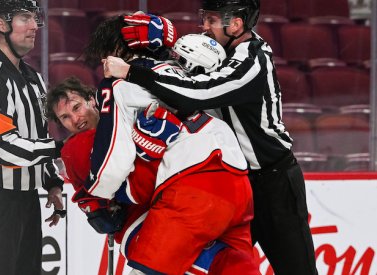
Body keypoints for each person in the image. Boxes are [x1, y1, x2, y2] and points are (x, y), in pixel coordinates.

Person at [104, 1, 319, 274]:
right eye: (205, 18)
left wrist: (132, 72)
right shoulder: (211, 48)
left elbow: (202, 91)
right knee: (221, 268)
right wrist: (153, 45)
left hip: (274, 183)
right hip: (233, 184)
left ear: (237, 24)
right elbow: (177, 72)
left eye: (212, 20)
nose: (204, 26)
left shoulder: (254, 59)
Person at [46, 16, 259, 275]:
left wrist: (100, 199)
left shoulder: (119, 85)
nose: (75, 119)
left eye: (76, 108)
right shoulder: (181, 68)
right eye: (65, 118)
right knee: (232, 263)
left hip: (193, 185)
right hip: (237, 178)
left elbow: (109, 172)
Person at [0, 1, 65, 274]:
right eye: (24, 18)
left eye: (34, 18)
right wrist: (61, 148)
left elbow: (37, 136)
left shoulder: (35, 80)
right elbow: (2, 146)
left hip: (25, 201)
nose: (34, 26)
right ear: (1, 24)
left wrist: (52, 182)